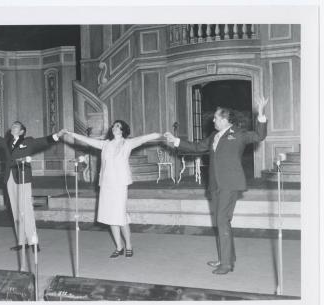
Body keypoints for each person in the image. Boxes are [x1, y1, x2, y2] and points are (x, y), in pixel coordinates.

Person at [164, 96, 268, 274]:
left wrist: (261, 114)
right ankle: (227, 258)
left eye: (216, 117)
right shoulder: (213, 136)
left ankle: (226, 264)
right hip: (215, 184)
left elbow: (260, 135)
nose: (213, 120)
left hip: (230, 184)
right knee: (222, 222)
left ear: (225, 119)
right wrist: (176, 141)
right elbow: (197, 147)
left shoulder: (239, 133)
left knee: (222, 221)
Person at [61, 120, 162, 258]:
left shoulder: (128, 143)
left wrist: (159, 134)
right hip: (107, 184)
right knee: (110, 216)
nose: (115, 128)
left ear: (123, 130)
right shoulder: (105, 144)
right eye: (114, 125)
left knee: (120, 216)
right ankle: (119, 247)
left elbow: (144, 138)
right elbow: (87, 140)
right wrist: (71, 133)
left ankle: (128, 245)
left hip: (120, 184)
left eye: (119, 126)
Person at [0, 120, 65, 252]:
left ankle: (33, 242)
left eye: (16, 126)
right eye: (13, 125)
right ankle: (22, 242)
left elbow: (44, 141)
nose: (13, 127)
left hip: (23, 178)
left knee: (26, 210)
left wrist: (58, 135)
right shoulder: (7, 142)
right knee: (16, 211)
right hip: (9, 178)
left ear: (21, 131)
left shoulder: (28, 141)